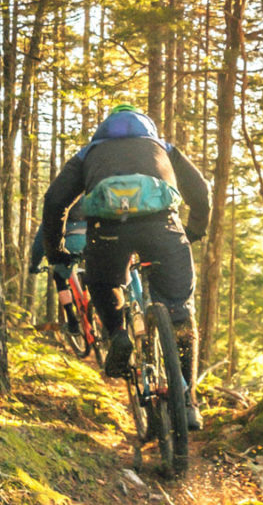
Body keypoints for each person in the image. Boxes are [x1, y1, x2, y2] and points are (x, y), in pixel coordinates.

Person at [40, 104, 211, 431]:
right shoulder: (163, 148)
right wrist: (195, 231)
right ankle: (188, 403)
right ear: (147, 128)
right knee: (180, 312)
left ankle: (118, 333)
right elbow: (200, 190)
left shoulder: (89, 152)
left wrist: (56, 251)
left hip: (107, 231)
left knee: (103, 283)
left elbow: (54, 201)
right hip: (162, 227)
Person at [28, 198, 87, 335]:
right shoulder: (86, 200)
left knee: (59, 277)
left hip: (69, 245)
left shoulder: (55, 207)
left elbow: (39, 244)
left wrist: (34, 265)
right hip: (92, 241)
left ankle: (72, 322)